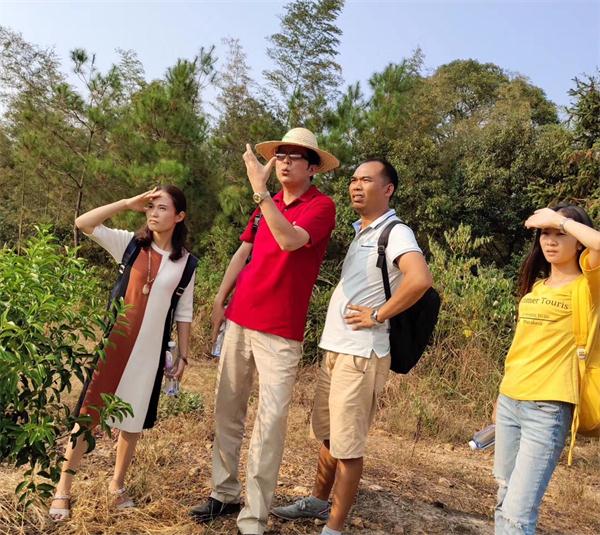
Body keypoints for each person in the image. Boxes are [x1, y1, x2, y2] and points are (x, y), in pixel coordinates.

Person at [190, 128, 338, 535]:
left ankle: (253, 517)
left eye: (296, 156)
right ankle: (224, 493)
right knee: (227, 410)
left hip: (280, 330)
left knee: (269, 423)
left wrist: (261, 192)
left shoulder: (321, 206)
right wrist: (221, 299)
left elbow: (290, 241)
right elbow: (245, 249)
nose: (286, 161)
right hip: (240, 318)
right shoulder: (266, 205)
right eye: (282, 154)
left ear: (312, 168)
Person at [272, 158, 433, 535]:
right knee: (330, 434)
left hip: (361, 355)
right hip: (337, 349)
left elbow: (420, 278)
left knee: (348, 445)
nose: (356, 186)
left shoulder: (395, 232)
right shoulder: (361, 230)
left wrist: (378, 314)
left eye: (366, 180)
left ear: (388, 189)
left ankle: (335, 527)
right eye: (353, 180)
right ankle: (317, 500)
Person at [49, 185, 196, 521]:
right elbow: (83, 222)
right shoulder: (130, 244)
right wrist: (127, 202)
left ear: (180, 216)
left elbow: (184, 312)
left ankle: (117, 485)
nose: (153, 213)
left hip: (150, 352)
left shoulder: (186, 264)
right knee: (88, 416)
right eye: (150, 207)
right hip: (117, 344)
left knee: (132, 423)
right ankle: (63, 490)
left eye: (162, 208)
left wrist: (183, 356)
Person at [493, 203, 600, 534]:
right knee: (504, 499)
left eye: (560, 234)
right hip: (511, 401)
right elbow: (520, 347)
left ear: (577, 240)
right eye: (545, 234)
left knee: (518, 512)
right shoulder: (537, 288)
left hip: (548, 409)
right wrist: (501, 395)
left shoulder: (588, 288)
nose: (551, 241)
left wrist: (560, 220)